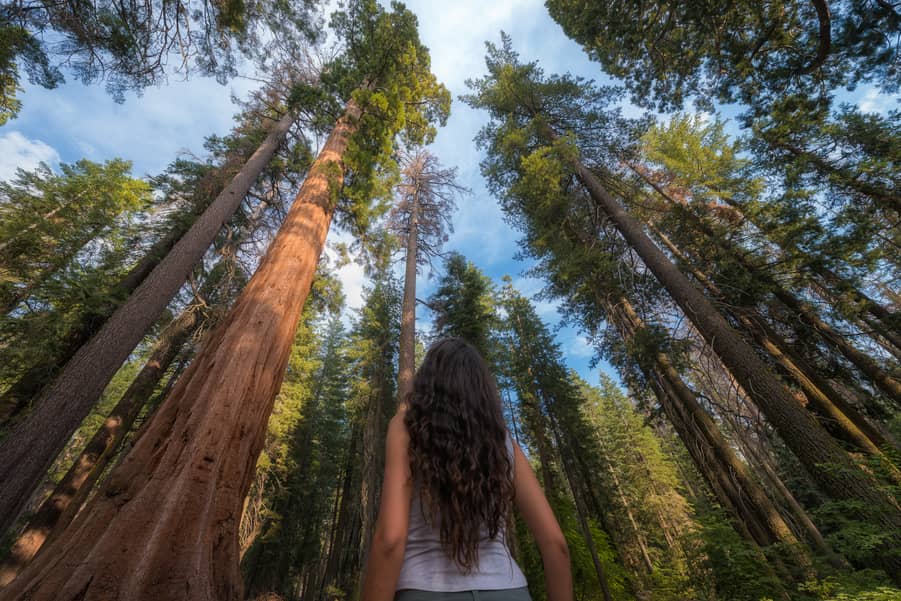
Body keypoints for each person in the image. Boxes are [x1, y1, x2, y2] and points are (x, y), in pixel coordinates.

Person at [361, 337, 573, 601]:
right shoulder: (503, 441)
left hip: (425, 591)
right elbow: (556, 544)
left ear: (428, 382)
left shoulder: (404, 428)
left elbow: (391, 540)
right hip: (508, 592)